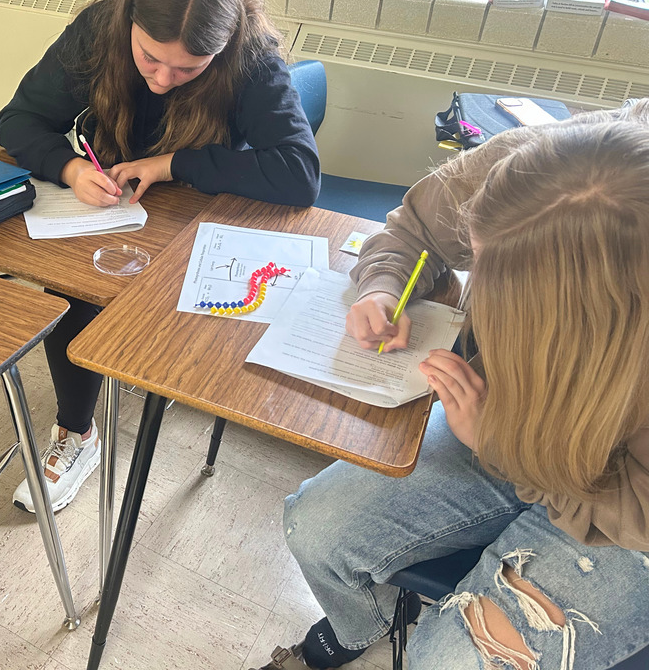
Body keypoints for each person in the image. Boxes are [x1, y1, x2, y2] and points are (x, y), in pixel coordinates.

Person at [253, 101, 649, 670]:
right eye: (477, 260)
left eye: (505, 292)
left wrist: (501, 447)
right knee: (314, 528)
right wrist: (384, 285)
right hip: (505, 426)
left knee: (445, 661)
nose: (476, 292)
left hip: (618, 507)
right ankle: (366, 627)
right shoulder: (543, 172)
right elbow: (413, 229)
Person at [0, 0, 320, 513]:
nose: (164, 80)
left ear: (222, 48)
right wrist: (71, 169)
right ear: (129, 25)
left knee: (179, 301)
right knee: (73, 284)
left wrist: (172, 164)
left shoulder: (252, 56)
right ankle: (77, 433)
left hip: (201, 208)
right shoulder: (100, 28)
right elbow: (17, 120)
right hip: (112, 197)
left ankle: (149, 370)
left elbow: (300, 174)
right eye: (149, 58)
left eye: (190, 68)